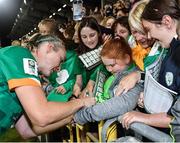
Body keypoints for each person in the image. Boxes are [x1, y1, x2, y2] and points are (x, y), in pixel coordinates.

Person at [0, 34, 95, 138]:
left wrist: (72, 116)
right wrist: (81, 102)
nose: (59, 68)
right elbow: (42, 115)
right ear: (49, 48)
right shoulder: (21, 54)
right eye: (61, 60)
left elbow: (27, 130)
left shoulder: (24, 77)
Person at [119, 0, 180, 141]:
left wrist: (145, 117)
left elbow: (176, 116)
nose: (148, 36)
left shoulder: (173, 53)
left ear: (166, 21)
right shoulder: (170, 49)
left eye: (147, 30)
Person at [74, 37, 143, 125]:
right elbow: (101, 68)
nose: (109, 69)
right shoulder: (118, 69)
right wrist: (90, 83)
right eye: (106, 65)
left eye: (112, 65)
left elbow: (120, 104)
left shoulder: (134, 81)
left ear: (126, 58)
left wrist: (82, 116)